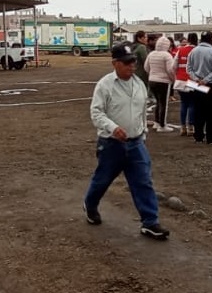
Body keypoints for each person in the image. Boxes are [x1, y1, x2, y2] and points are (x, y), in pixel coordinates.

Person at [83, 42, 170, 240]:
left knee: (143, 181)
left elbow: (140, 113)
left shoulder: (139, 84)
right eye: (127, 62)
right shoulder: (105, 85)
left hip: (136, 142)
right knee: (102, 180)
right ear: (115, 63)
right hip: (111, 144)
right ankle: (90, 204)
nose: (132, 66)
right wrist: (113, 128)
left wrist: (142, 134)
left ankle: (150, 222)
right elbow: (96, 113)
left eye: (133, 62)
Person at [186, 31, 212, 145]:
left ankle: (198, 136)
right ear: (211, 39)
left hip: (197, 84)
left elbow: (189, 69)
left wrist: (196, 79)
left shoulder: (193, 51)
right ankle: (211, 136)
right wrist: (206, 80)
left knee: (199, 110)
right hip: (211, 84)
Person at [144, 36, 176, 132]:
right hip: (163, 82)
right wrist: (173, 79)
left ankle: (157, 122)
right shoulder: (167, 55)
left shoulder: (151, 54)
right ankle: (162, 125)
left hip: (152, 80)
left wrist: (152, 74)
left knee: (158, 102)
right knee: (163, 104)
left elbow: (146, 67)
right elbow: (170, 70)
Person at [172, 33, 197, 137]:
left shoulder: (180, 50)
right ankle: (191, 127)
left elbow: (173, 66)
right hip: (192, 81)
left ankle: (183, 127)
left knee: (184, 103)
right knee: (192, 104)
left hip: (180, 81)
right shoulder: (196, 51)